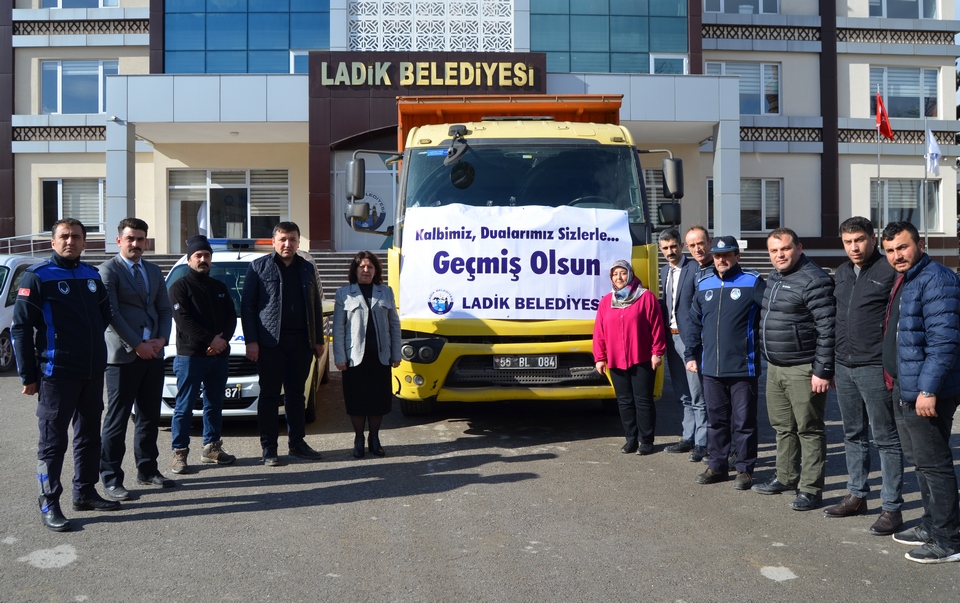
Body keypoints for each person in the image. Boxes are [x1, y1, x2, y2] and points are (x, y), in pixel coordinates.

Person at [12, 219, 117, 532]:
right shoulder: (38, 276)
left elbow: (104, 316)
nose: (70, 241)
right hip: (56, 374)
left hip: (91, 372)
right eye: (64, 236)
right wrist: (28, 376)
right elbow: (20, 328)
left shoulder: (91, 275)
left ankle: (84, 491)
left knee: (89, 436)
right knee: (53, 443)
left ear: (85, 243)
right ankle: (49, 501)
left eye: (76, 237)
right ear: (53, 242)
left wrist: (91, 351)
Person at [880, 221, 960, 564]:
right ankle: (931, 524)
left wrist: (928, 389)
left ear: (920, 244)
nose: (897, 255)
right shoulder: (909, 278)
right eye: (890, 250)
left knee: (935, 463)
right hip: (906, 386)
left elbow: (944, 342)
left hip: (928, 392)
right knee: (922, 463)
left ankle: (949, 538)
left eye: (902, 247)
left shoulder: (937, 280)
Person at [823, 216, 903, 534]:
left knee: (886, 439)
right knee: (853, 434)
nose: (853, 247)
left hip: (874, 367)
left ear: (873, 238)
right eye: (847, 242)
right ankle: (857, 495)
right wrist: (830, 365)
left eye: (859, 240)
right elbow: (836, 320)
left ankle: (892, 508)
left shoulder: (890, 271)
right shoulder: (841, 273)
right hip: (844, 366)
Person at [753, 228, 835, 511]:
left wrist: (823, 370)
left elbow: (827, 328)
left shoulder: (815, 279)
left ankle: (811, 489)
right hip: (775, 367)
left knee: (809, 430)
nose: (779, 255)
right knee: (782, 428)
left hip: (803, 368)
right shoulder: (775, 276)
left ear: (798, 247)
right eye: (774, 251)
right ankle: (786, 477)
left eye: (785, 249)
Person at [99, 218, 175, 500]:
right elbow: (112, 314)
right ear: (119, 241)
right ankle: (111, 477)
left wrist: (161, 340)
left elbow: (164, 309)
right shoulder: (108, 270)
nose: (136, 244)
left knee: (149, 416)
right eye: (130, 238)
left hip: (153, 353)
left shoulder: (154, 271)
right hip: (123, 357)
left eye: (140, 239)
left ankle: (147, 470)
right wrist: (137, 345)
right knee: (117, 420)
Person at [683, 236, 765, 490]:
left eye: (727, 255)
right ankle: (717, 465)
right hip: (711, 368)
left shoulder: (753, 282)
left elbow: (770, 317)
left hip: (743, 367)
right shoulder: (704, 284)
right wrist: (690, 354)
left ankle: (744, 469)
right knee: (716, 420)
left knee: (744, 422)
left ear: (737, 256)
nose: (721, 260)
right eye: (717, 255)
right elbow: (694, 323)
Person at [241, 221, 326, 466]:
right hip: (270, 344)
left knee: (296, 395)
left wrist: (318, 340)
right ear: (274, 241)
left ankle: (297, 443)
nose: (287, 244)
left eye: (292, 240)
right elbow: (248, 307)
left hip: (301, 342)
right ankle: (269, 449)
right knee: (268, 396)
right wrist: (252, 341)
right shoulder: (258, 267)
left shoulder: (308, 269)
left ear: (299, 242)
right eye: (282, 239)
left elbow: (316, 306)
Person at [167, 235, 237, 474]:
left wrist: (222, 341)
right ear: (189, 260)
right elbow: (183, 321)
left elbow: (230, 317)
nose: (203, 259)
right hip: (190, 357)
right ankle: (179, 453)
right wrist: (211, 340)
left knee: (214, 404)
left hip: (218, 357)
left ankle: (212, 448)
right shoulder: (179, 287)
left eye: (206, 255)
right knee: (184, 407)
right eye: (198, 256)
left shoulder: (219, 287)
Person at [593, 260, 665, 456]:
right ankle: (631, 439)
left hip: (641, 358)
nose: (619, 277)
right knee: (624, 402)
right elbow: (599, 332)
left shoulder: (646, 297)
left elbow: (657, 326)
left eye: (622, 273)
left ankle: (646, 440)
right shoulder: (606, 302)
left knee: (643, 401)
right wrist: (600, 357)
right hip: (616, 359)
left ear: (630, 274)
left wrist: (657, 352)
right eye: (615, 274)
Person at [333, 251, 401, 458]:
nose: (366, 270)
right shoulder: (344, 293)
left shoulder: (386, 292)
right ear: (355, 270)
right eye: (362, 266)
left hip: (380, 357)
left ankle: (374, 438)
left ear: (376, 271)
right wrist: (340, 357)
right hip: (354, 358)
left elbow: (394, 326)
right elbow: (338, 328)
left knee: (378, 400)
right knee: (356, 401)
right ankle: (358, 439)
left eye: (370, 267)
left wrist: (396, 353)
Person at [658, 229, 707, 460]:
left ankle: (702, 442)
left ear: (681, 246)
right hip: (671, 336)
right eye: (666, 248)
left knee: (698, 393)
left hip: (690, 339)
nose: (670, 251)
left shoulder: (695, 269)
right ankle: (688, 437)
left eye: (674, 246)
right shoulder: (664, 271)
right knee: (682, 392)